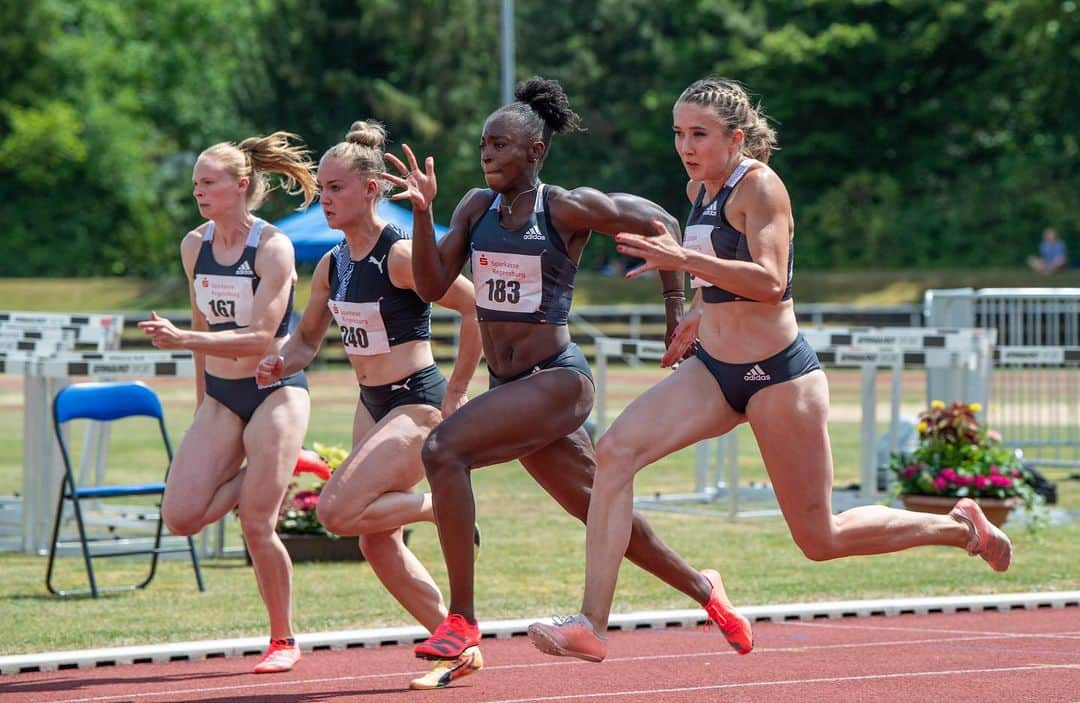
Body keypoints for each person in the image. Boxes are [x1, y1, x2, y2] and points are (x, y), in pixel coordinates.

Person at [526, 76, 1014, 663]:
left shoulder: (761, 189)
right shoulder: (698, 186)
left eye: (699, 134)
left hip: (779, 379)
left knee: (820, 539)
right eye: (679, 133)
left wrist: (684, 259)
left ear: (736, 138)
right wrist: (698, 312)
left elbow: (769, 280)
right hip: (715, 373)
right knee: (615, 452)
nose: (686, 145)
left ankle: (962, 528)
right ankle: (591, 625)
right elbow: (720, 273)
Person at [380, 76, 753, 664]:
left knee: (443, 450)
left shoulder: (565, 206)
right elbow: (428, 285)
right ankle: (709, 593)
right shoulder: (475, 208)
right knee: (598, 510)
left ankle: (461, 621)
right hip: (511, 389)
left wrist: (675, 309)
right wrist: (423, 215)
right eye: (483, 145)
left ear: (535, 152)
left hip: (556, 382)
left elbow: (663, 225)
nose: (487, 155)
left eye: (500, 145)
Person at [254, 120, 485, 690]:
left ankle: (437, 506)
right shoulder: (334, 264)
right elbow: (307, 338)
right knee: (372, 539)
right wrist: (281, 360)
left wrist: (457, 390)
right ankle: (454, 642)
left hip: (417, 401)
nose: (324, 199)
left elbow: (474, 306)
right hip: (371, 401)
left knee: (334, 512)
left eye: (336, 188)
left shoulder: (400, 255)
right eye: (322, 189)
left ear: (371, 190)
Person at [137, 132, 318, 673]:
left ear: (241, 186)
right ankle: (283, 466)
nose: (198, 191)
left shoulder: (272, 247)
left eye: (208, 182)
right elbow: (198, 321)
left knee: (256, 524)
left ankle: (283, 639)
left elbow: (263, 336)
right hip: (221, 394)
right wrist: (202, 402)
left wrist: (187, 341)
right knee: (181, 517)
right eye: (195, 183)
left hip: (275, 391)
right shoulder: (194, 245)